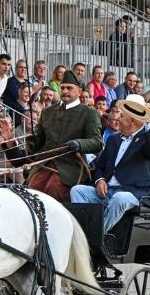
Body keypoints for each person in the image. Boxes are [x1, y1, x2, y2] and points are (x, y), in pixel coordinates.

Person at [70, 94, 150, 233]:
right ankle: (82, 232)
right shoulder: (113, 139)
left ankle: (97, 236)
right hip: (108, 191)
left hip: (134, 192)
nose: (118, 119)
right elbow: (100, 166)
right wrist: (100, 180)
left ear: (132, 120)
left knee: (119, 198)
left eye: (122, 116)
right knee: (77, 191)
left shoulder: (147, 139)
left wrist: (147, 121)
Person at [27, 70, 102, 202]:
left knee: (54, 189)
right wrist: (31, 142)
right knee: (33, 188)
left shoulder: (89, 113)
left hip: (70, 165)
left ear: (79, 91)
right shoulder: (47, 112)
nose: (65, 91)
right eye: (62, 88)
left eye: (69, 88)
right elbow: (39, 142)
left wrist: (79, 144)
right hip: (44, 163)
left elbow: (97, 142)